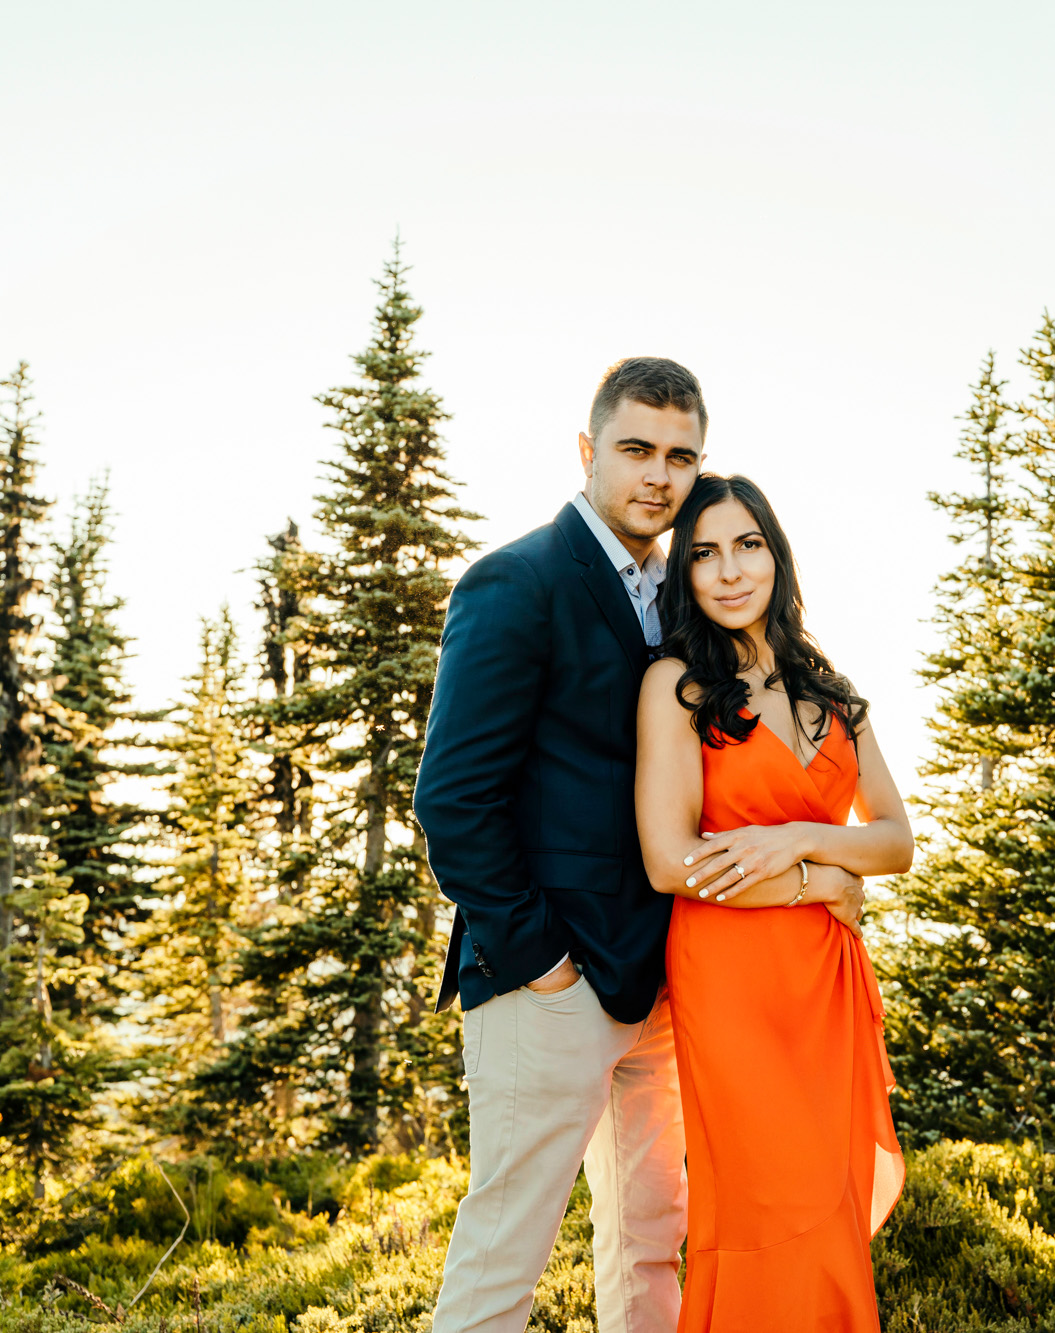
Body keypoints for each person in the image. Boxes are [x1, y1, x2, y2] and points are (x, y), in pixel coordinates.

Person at [416, 359, 865, 1332]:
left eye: (678, 455)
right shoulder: (516, 581)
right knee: (507, 1253)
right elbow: (451, 799)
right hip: (551, 982)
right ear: (587, 451)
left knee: (650, 1241)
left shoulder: (677, 597)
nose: (657, 475)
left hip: (662, 981)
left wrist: (819, 861)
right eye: (633, 449)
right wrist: (540, 963)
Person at [636, 473, 913, 1331]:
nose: (729, 571)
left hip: (824, 980)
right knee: (761, 1196)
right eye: (705, 553)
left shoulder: (831, 692)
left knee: (827, 1199)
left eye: (747, 545)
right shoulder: (677, 687)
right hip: (730, 974)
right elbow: (669, 861)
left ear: (777, 555)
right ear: (685, 573)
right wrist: (820, 880)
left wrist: (799, 840)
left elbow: (895, 841)